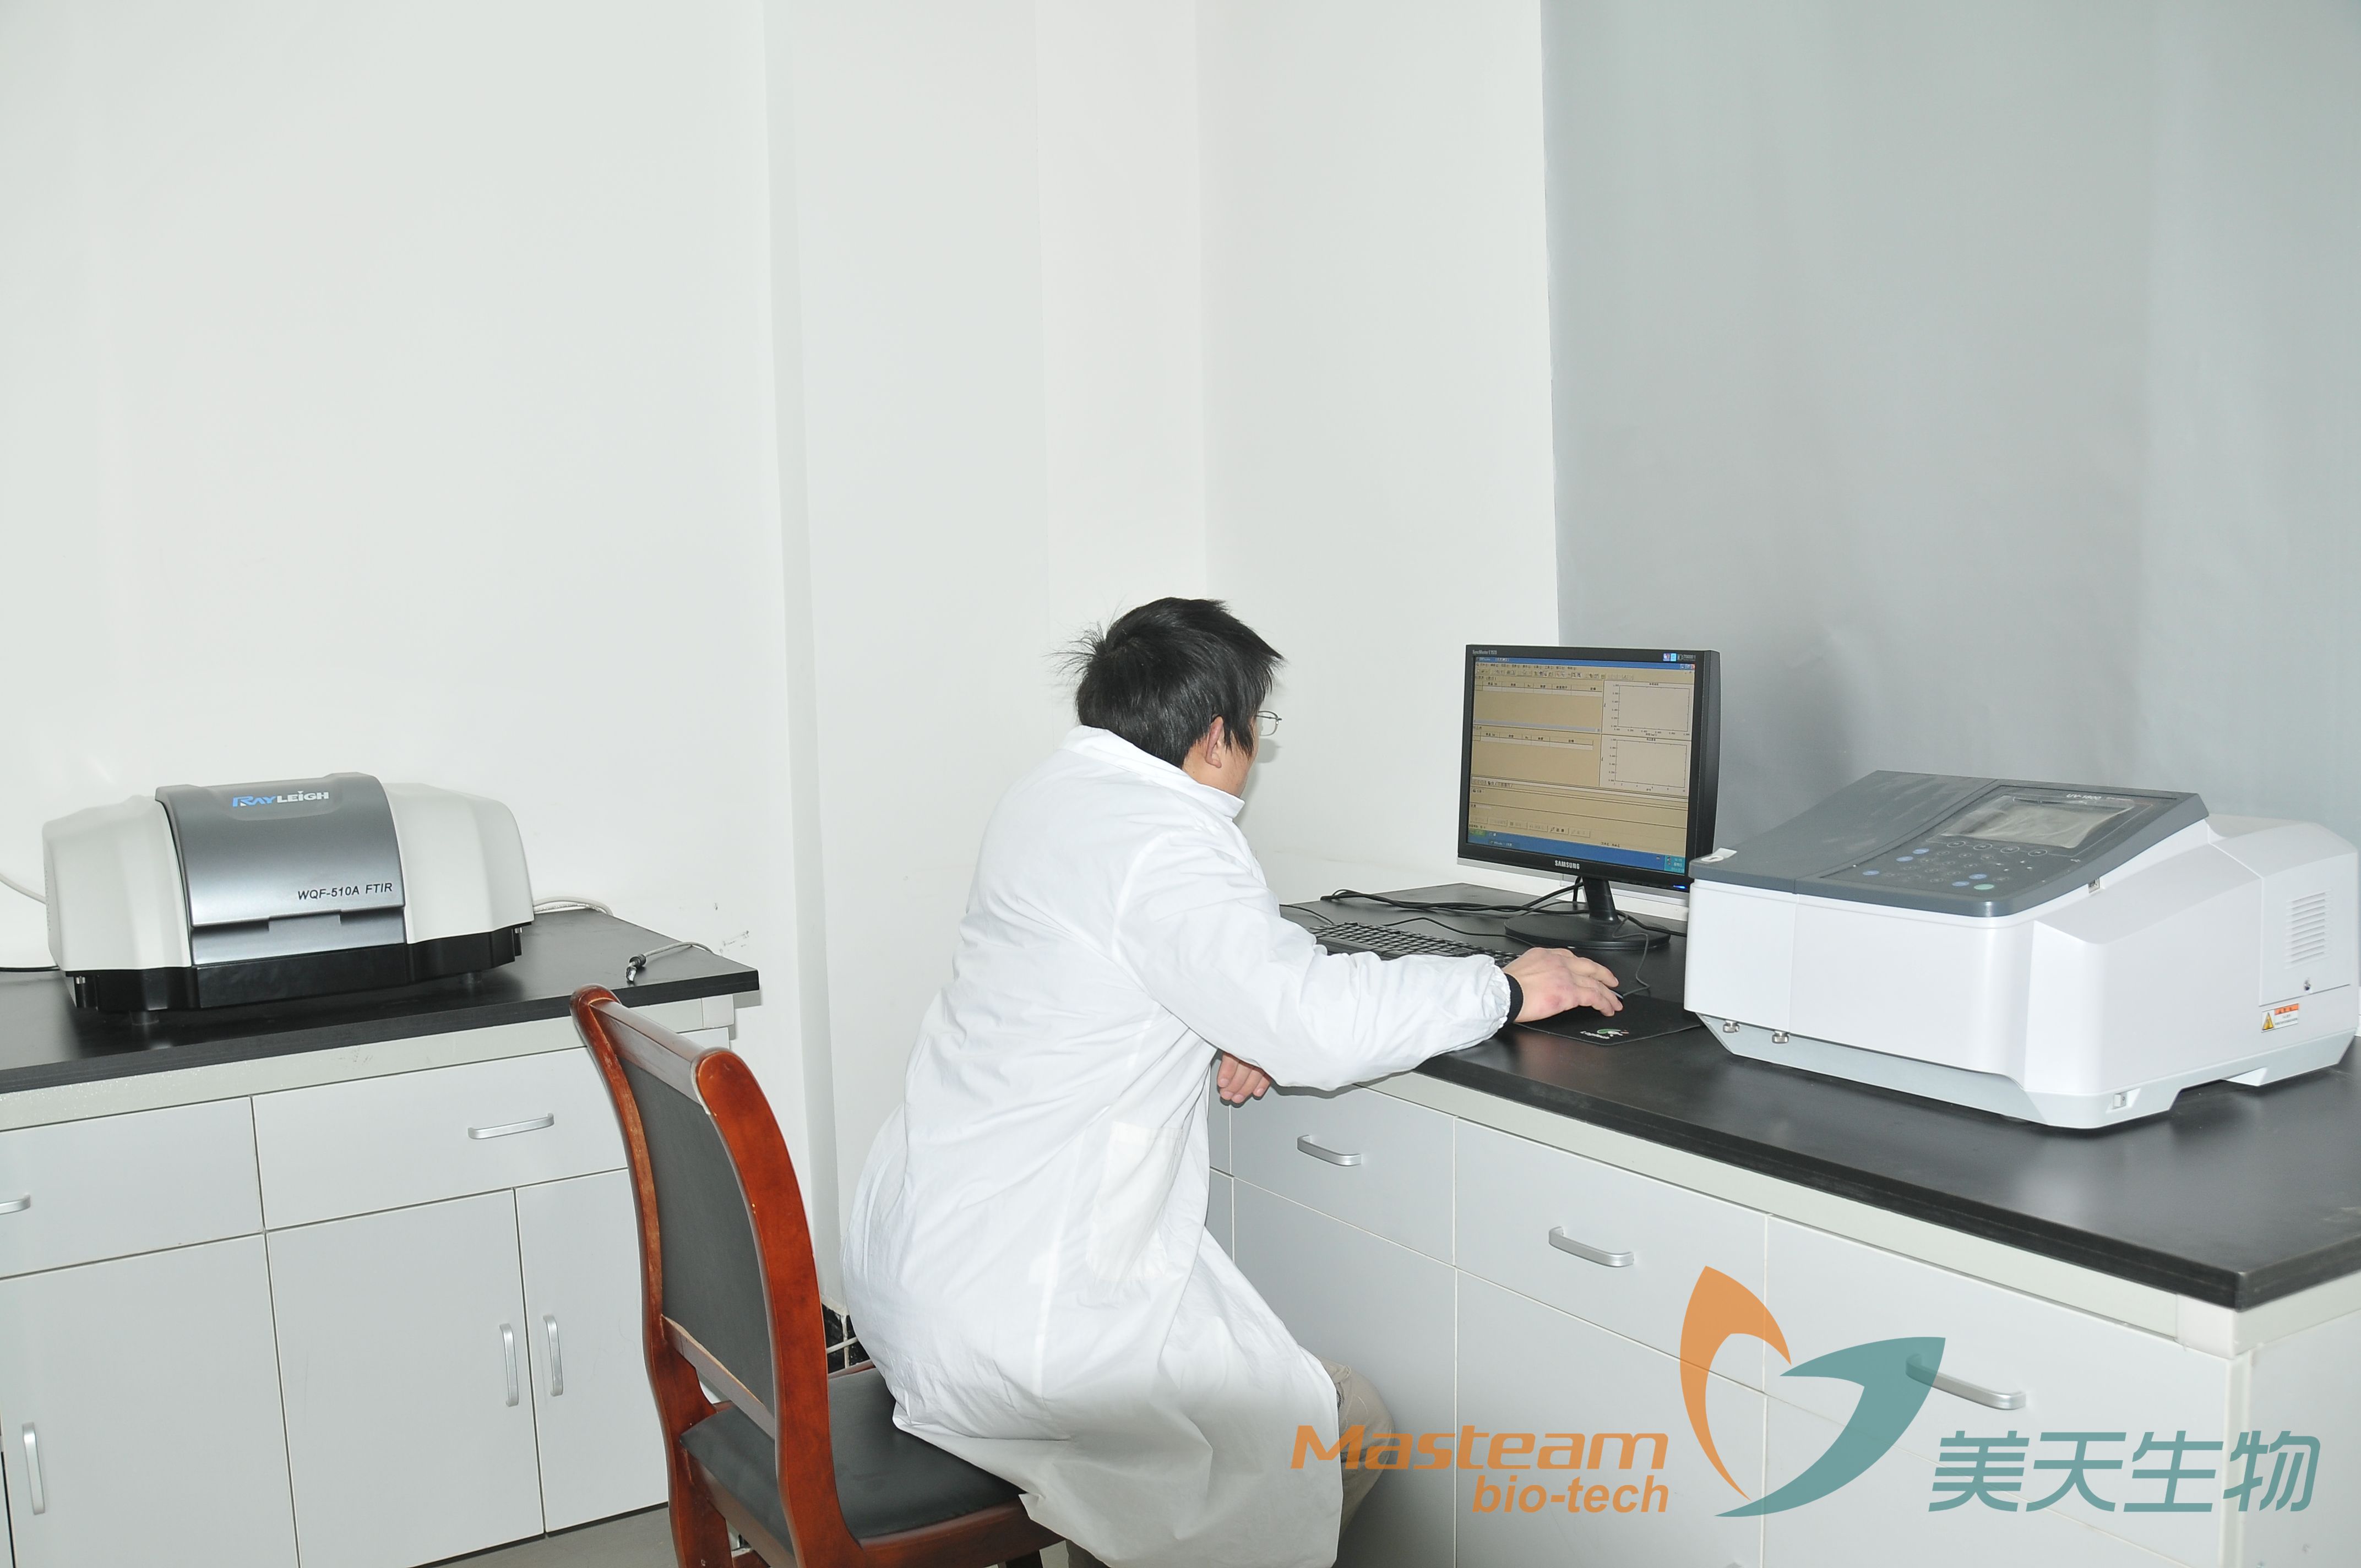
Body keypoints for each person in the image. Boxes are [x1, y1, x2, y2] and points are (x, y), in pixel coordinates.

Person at [844, 598, 1623, 1568]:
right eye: (1260, 723)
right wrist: (1501, 989)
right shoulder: (1167, 842)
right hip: (1024, 1318)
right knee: (1341, 1426)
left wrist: (1228, 1016)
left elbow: (1117, 977)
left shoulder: (1055, 794)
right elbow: (1315, 1024)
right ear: (1218, 737)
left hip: (921, 1269)